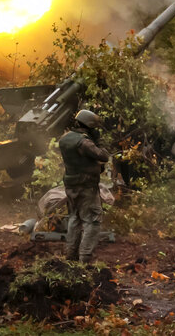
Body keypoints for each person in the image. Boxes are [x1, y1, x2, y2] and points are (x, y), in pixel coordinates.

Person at [58, 108, 110, 263]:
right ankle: (85, 260)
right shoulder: (84, 142)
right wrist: (99, 142)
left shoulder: (65, 138)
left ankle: (71, 256)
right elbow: (103, 156)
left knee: (75, 219)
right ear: (89, 126)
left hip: (71, 185)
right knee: (92, 221)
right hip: (86, 186)